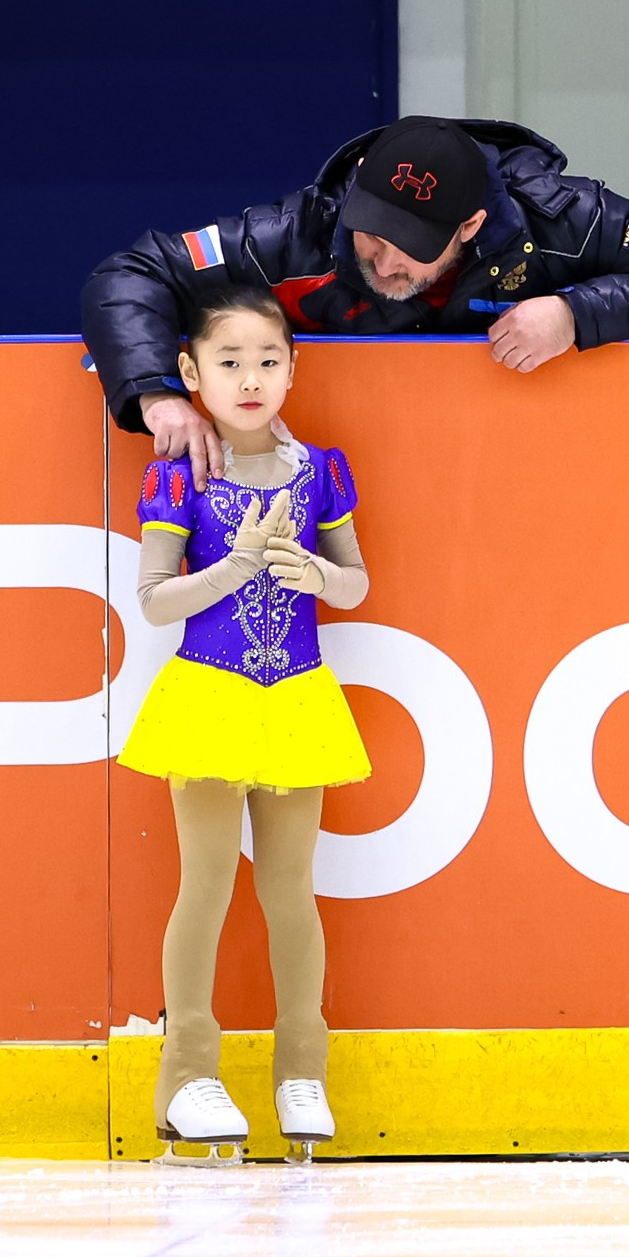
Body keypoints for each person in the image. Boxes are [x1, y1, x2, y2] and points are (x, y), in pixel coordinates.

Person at [81, 114, 629, 484]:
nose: (383, 257)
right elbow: (132, 271)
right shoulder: (303, 230)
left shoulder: (564, 217)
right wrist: (158, 393)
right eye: (373, 230)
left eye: (411, 244)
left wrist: (577, 314)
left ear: (470, 228)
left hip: (548, 485)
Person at [117, 285, 370, 1163]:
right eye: (230, 362)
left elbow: (356, 582)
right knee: (208, 885)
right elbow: (153, 602)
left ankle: (303, 1068)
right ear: (191, 372)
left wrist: (313, 574)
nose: (251, 378)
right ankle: (188, 1073)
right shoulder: (175, 476)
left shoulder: (322, 471)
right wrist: (235, 567)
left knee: (291, 890)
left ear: (294, 368)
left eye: (269, 360)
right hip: (212, 696)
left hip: (295, 693)